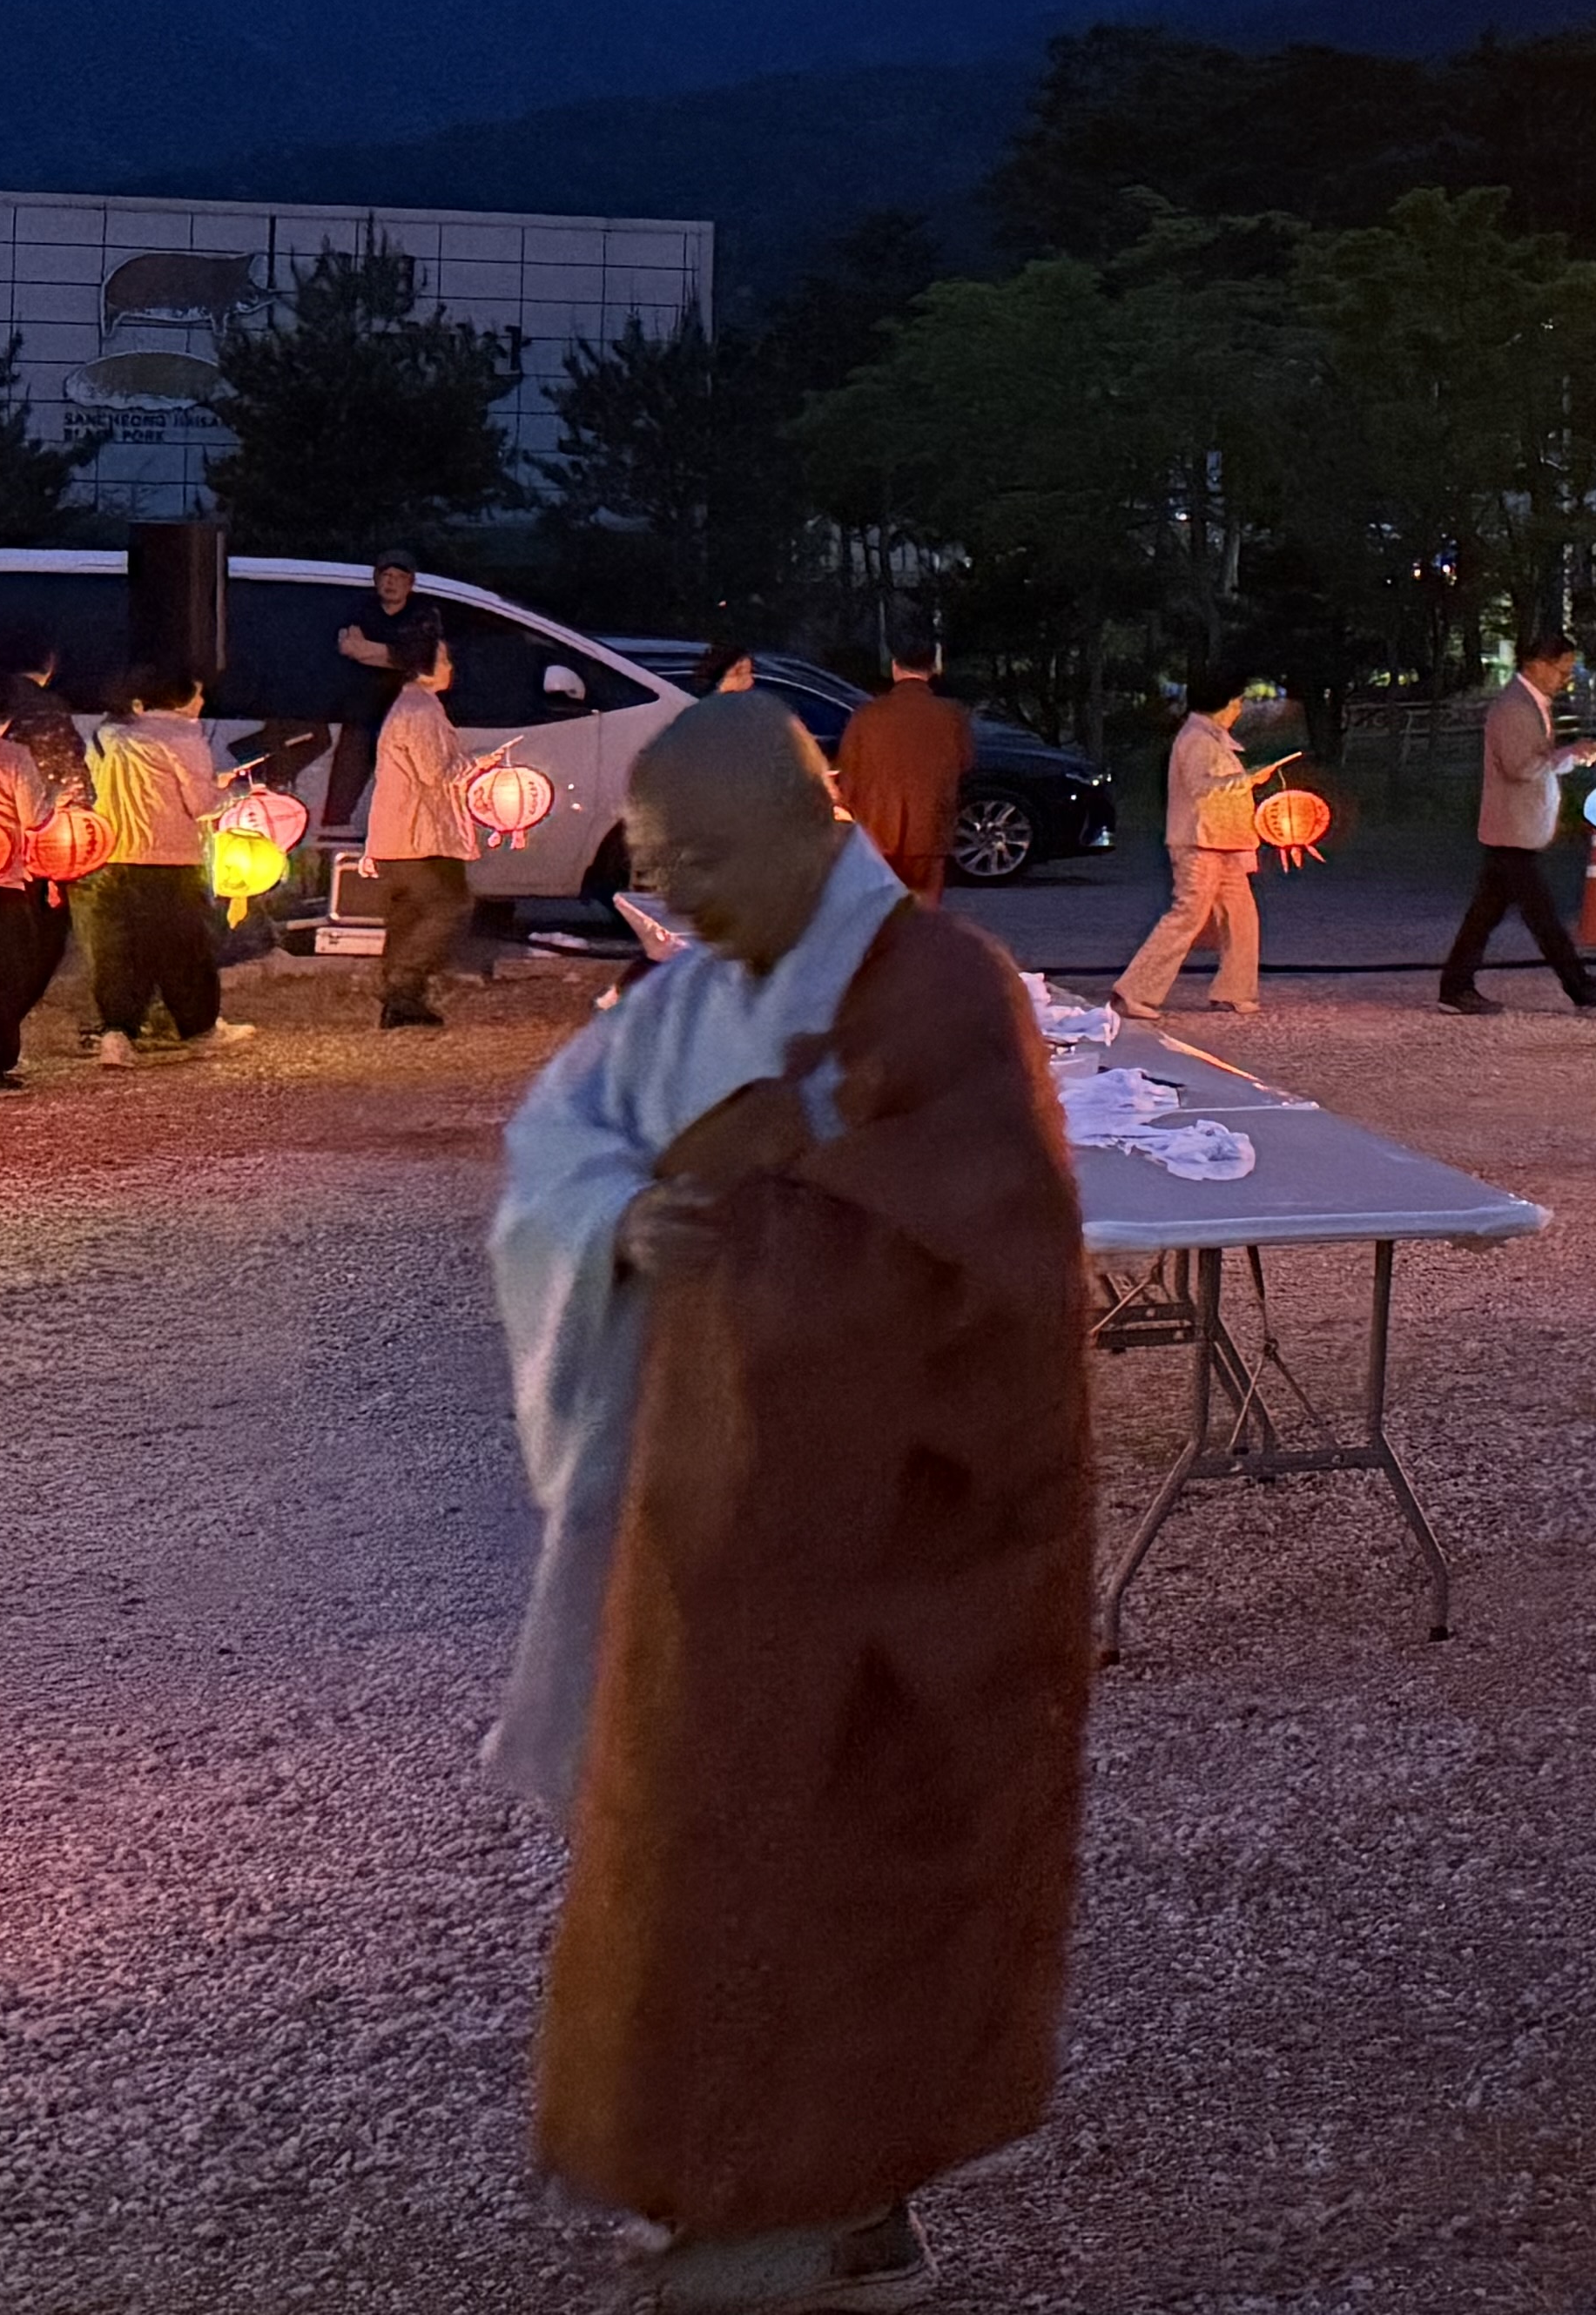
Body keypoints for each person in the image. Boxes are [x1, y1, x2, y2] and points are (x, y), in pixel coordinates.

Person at [484, 696, 1092, 2310]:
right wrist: (625, 1217)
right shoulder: (686, 993)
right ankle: (788, 2190)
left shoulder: (944, 988)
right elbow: (563, 1148)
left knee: (848, 1848)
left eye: (703, 863)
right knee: (701, 1832)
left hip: (892, 1523)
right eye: (659, 866)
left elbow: (985, 1237)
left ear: (811, 823)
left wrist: (758, 1206)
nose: (679, 900)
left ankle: (797, 2200)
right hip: (717, 1505)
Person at [85, 656, 249, 1063]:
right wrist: (233, 793)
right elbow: (201, 805)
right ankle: (199, 1029)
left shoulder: (109, 735)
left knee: (122, 952)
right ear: (183, 698)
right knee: (185, 949)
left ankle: (116, 1034)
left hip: (114, 855)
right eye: (198, 693)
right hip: (170, 857)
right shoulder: (183, 738)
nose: (202, 700)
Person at [1440, 635, 1596, 1015]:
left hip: (1513, 828)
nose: (1565, 679)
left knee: (1488, 914)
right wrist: (1567, 753)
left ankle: (1455, 986)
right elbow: (1521, 767)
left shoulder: (1526, 705)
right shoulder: (1515, 708)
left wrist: (1570, 756)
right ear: (1537, 664)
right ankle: (1578, 985)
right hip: (1513, 830)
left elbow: (1534, 763)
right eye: (1562, 670)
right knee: (1541, 915)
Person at [0, 623, 84, 1097]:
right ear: (5, 717)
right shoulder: (11, 754)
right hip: (5, 879)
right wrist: (58, 795)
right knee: (3, 975)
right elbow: (35, 815)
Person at [1115, 667, 1268, 1020]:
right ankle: (1134, 991)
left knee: (1241, 918)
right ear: (1223, 703)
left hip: (1223, 842)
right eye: (1238, 702)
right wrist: (1246, 779)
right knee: (1187, 916)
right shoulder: (1197, 739)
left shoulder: (1209, 737)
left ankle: (1235, 991)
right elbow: (1203, 788)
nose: (1240, 710)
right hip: (1199, 844)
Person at [371, 622, 480, 1030]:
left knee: (408, 914)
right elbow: (437, 773)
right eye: (445, 657)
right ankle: (403, 987)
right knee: (449, 907)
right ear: (426, 663)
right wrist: (477, 764)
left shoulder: (410, 705)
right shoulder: (420, 709)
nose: (450, 665)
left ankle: (400, 1000)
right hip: (420, 836)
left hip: (400, 835)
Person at [830, 622, 976, 907]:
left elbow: (849, 771)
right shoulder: (951, 716)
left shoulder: (868, 715)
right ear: (931, 669)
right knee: (924, 911)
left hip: (878, 829)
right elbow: (965, 762)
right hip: (930, 828)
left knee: (880, 909)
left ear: (895, 667)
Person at [327, 553, 427, 823]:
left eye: (399, 577)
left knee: (399, 801)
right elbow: (348, 646)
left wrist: (371, 651)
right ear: (376, 580)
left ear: (410, 583)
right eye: (386, 576)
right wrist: (398, 656)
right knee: (340, 800)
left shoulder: (422, 615)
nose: (391, 583)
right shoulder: (359, 610)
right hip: (360, 718)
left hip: (403, 723)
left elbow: (423, 659)